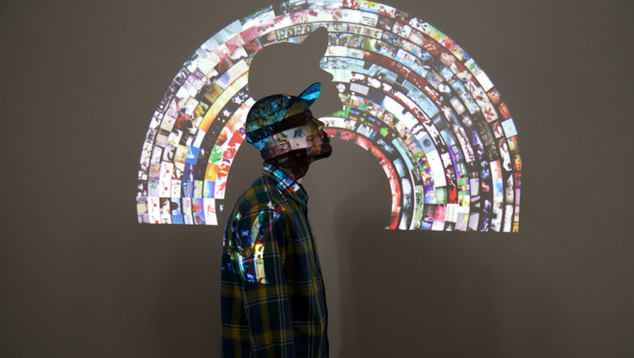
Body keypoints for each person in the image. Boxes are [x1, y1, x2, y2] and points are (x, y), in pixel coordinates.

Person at [221, 82, 332, 357]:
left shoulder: (285, 201)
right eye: (306, 120)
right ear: (281, 143)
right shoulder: (264, 210)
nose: (320, 124)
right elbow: (270, 331)